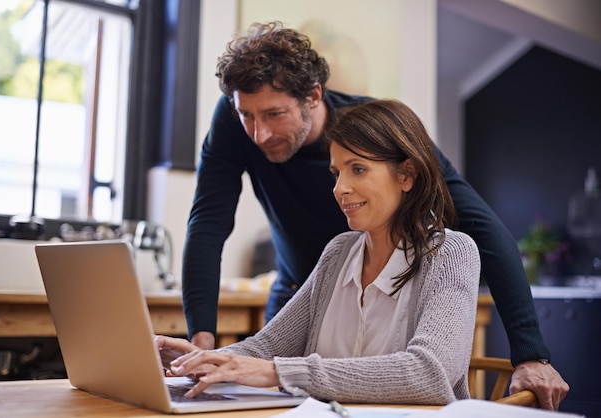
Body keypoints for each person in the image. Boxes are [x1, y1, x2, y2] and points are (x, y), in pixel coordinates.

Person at [181, 21, 569, 409]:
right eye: (335, 172)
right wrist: (200, 350)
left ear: (313, 97)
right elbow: (207, 225)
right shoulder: (335, 252)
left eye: (274, 114)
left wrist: (530, 350)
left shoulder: (378, 136)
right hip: (312, 283)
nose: (259, 133)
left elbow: (483, 229)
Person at [159, 99, 481, 404]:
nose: (340, 188)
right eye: (337, 173)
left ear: (406, 175)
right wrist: (198, 362)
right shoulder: (338, 253)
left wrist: (280, 372)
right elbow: (267, 347)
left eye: (357, 169)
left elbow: (428, 372)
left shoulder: (451, 253)